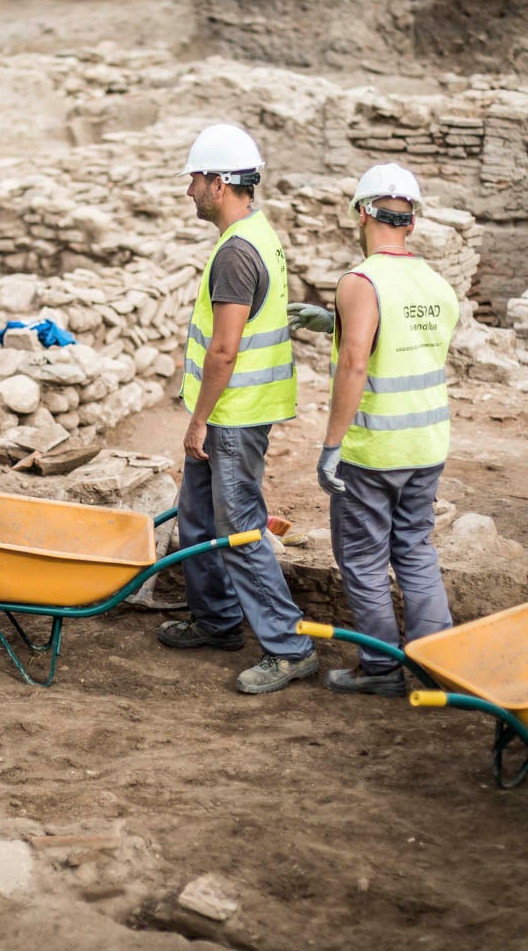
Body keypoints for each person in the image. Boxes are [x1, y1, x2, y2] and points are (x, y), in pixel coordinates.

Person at [157, 123, 318, 695]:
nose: (189, 190)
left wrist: (198, 418)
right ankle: (219, 620)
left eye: (195, 180)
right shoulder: (255, 234)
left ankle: (290, 647)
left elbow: (224, 349)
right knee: (196, 518)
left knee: (240, 530)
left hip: (234, 415)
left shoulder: (236, 253)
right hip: (235, 410)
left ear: (220, 183)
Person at [289, 163, 459, 696]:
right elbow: (404, 340)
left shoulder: (361, 281)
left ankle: (381, 670)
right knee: (414, 550)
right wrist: (333, 319)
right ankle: (440, 667)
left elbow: (355, 366)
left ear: (363, 212)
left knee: (362, 560)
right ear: (411, 219)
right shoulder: (435, 282)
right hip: (427, 445)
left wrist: (331, 447)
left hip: (375, 449)